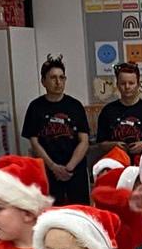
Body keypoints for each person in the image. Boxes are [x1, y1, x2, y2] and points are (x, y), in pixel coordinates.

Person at [22, 54, 92, 205]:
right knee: (52, 211)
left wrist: (69, 167)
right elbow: (34, 142)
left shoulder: (75, 106)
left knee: (79, 210)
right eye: (53, 78)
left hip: (75, 169)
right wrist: (53, 167)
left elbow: (84, 141)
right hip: (48, 170)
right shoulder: (35, 107)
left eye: (61, 77)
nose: (58, 82)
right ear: (43, 81)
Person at [94, 62, 142, 158]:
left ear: (138, 84)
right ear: (117, 85)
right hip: (117, 161)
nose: (127, 87)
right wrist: (114, 145)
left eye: (131, 83)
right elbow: (101, 144)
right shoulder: (108, 111)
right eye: (123, 83)